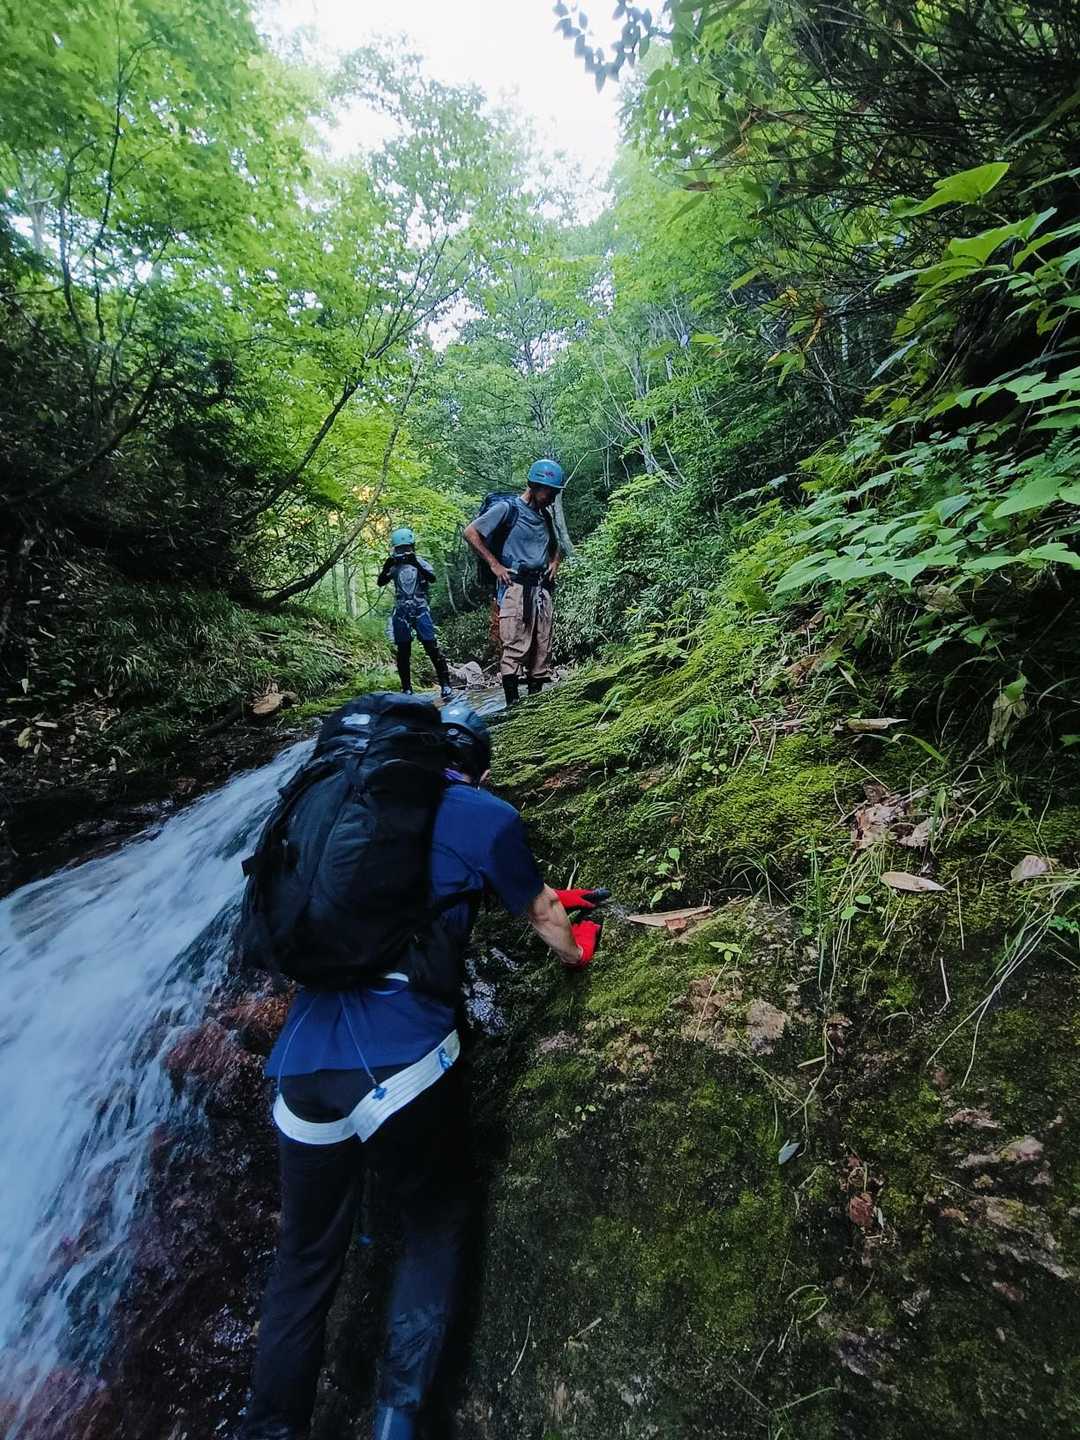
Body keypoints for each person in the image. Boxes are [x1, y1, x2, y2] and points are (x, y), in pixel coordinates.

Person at [240, 701, 604, 1440]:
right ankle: (396, 1422)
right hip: (401, 1064)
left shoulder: (338, 813)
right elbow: (541, 914)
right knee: (436, 1221)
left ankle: (270, 1428)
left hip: (302, 1071)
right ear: (479, 768)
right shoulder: (484, 813)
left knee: (302, 1264)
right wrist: (577, 950)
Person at [463, 460, 565, 706]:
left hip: (541, 589)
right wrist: (494, 564)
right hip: (514, 587)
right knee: (515, 647)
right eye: (550, 492)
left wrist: (555, 562)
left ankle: (534, 705)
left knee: (542, 648)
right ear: (534, 486)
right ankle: (512, 706)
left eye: (555, 493)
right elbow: (470, 532)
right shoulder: (507, 509)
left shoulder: (545, 516)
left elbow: (556, 544)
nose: (552, 498)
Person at [378, 527, 454, 701]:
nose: (403, 553)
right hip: (401, 611)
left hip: (420, 609)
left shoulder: (420, 562)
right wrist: (386, 567)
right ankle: (406, 689)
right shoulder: (393, 565)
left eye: (406, 549)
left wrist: (415, 563)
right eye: (400, 549)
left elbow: (432, 578)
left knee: (431, 647)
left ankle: (446, 684)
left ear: (412, 547)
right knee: (403, 651)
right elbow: (381, 582)